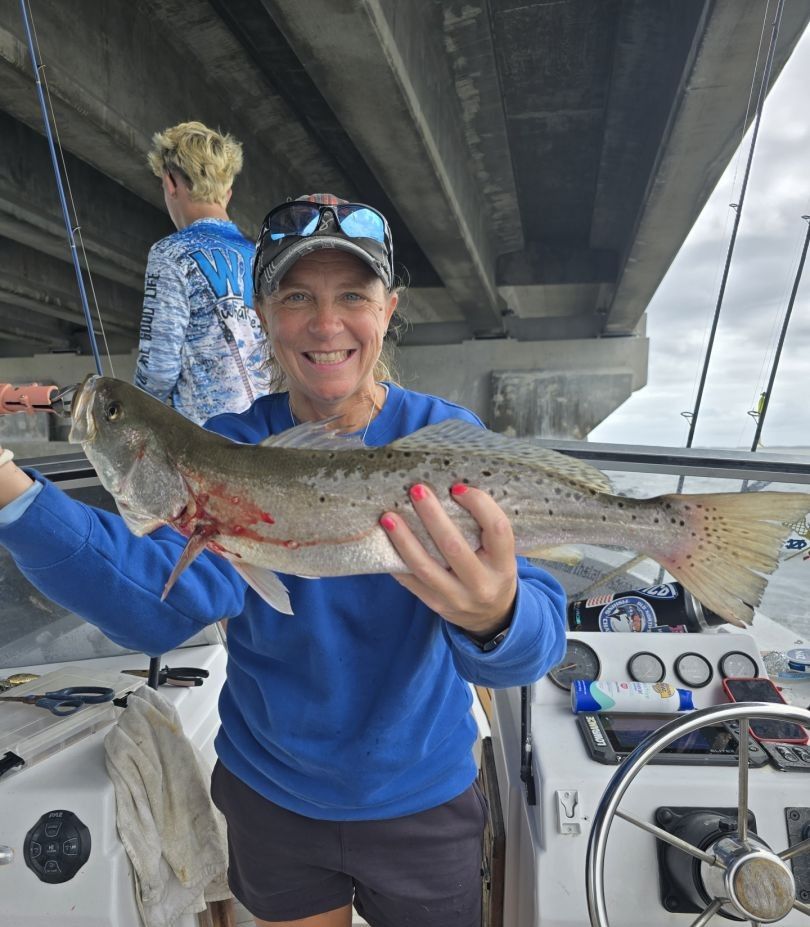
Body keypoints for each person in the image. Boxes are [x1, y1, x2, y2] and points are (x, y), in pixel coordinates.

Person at [0, 193, 567, 927]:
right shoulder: (228, 446)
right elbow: (162, 603)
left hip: (423, 796)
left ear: (388, 309)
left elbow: (529, 649)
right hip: (273, 797)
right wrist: (13, 493)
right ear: (263, 314)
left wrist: (497, 616)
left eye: (352, 296)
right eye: (297, 295)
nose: (326, 323)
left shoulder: (446, 436)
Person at [134, 121, 268, 425]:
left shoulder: (171, 253)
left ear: (170, 182)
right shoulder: (259, 255)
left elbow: (157, 370)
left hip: (207, 444)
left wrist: (134, 413)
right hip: (266, 433)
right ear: (228, 193)